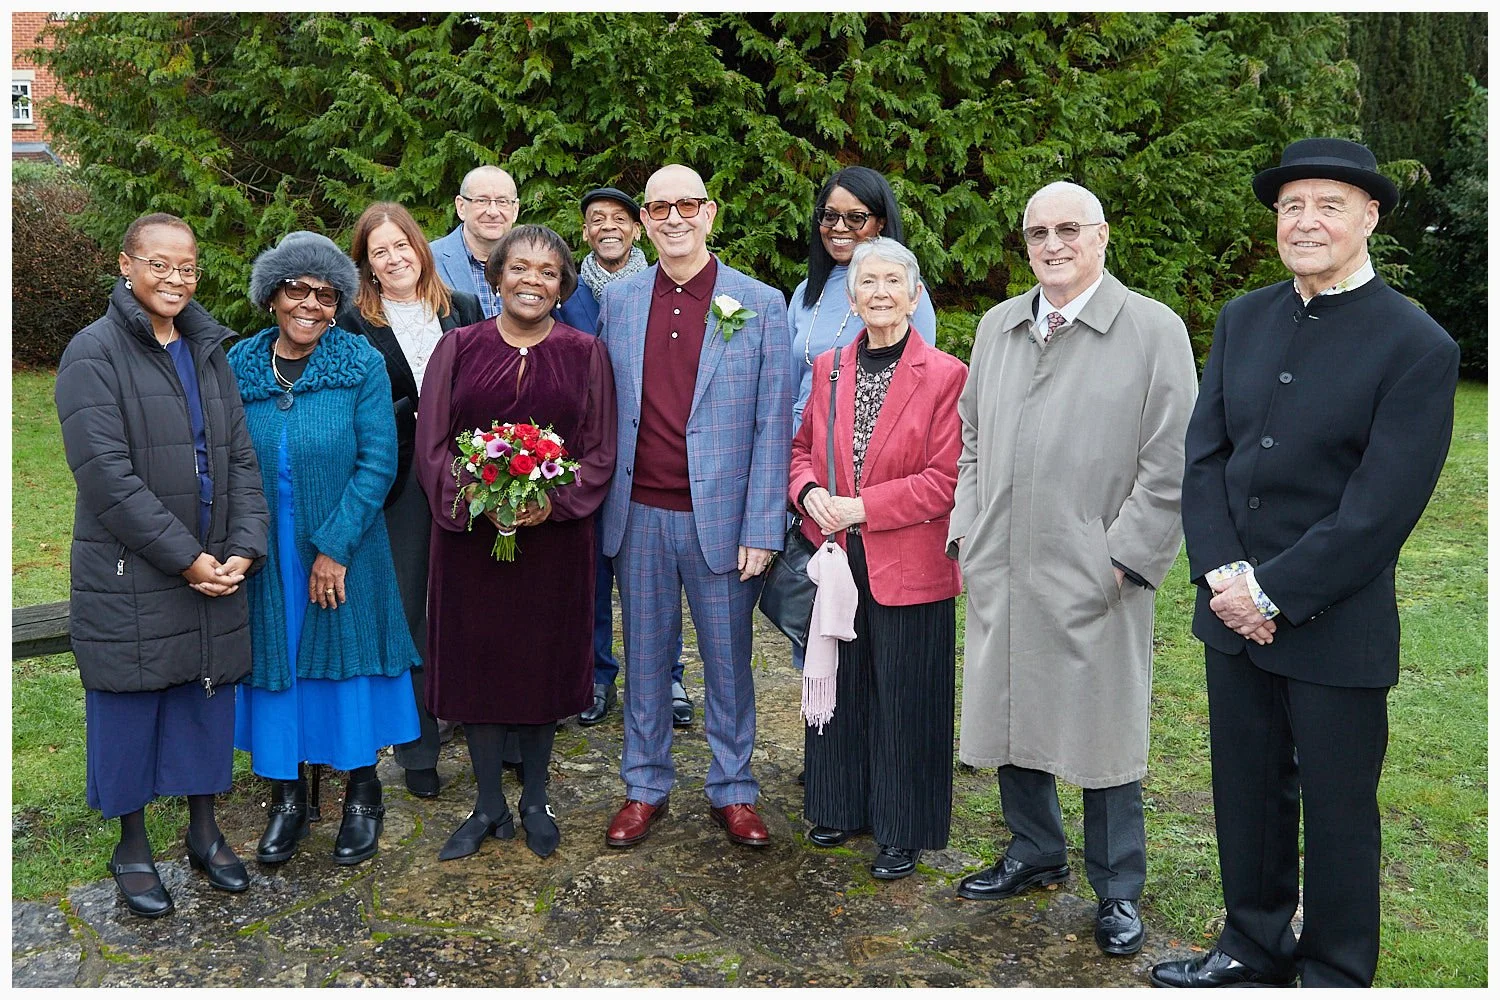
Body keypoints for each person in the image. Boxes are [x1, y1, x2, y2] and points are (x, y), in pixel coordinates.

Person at [1151, 139, 1460, 989]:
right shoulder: (1243, 317)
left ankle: (1331, 968)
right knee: (1245, 797)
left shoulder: (1416, 344)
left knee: (1337, 812)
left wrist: (1272, 590)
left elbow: (1379, 509)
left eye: (1329, 204)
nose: (1307, 220)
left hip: (1335, 621)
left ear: (1368, 218)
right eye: (1292, 205)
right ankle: (1250, 944)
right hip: (1230, 614)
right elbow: (1205, 456)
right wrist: (1222, 576)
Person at [948, 182, 1198, 956]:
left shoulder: (1154, 331)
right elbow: (974, 440)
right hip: (1003, 560)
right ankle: (1034, 849)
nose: (1051, 245)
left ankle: (1118, 888)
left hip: (1096, 568)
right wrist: (967, 534)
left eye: (1067, 229)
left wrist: (1122, 560)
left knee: (1102, 728)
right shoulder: (999, 327)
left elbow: (1170, 464)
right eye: (1036, 233)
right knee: (1010, 708)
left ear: (1102, 236)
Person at [56, 212, 269, 917]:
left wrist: (242, 545)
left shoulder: (208, 349)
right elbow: (105, 476)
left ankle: (205, 834)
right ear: (126, 265)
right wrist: (186, 559)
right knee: (129, 707)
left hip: (213, 560)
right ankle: (132, 846)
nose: (175, 279)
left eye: (188, 268)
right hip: (134, 570)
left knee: (203, 699)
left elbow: (239, 455)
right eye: (159, 264)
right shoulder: (93, 353)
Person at [597, 164, 794, 849]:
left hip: (724, 520)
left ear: (711, 212)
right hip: (639, 513)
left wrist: (764, 525)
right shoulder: (619, 302)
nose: (673, 218)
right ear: (644, 221)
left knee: (729, 661)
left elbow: (775, 422)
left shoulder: (759, 302)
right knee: (645, 659)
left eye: (687, 205)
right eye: (659, 208)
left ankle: (733, 789)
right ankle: (644, 786)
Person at [415, 224, 617, 861]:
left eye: (549, 272)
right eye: (521, 268)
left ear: (561, 288)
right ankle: (487, 805)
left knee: (540, 663)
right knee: (480, 664)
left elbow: (599, 451)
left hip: (553, 544)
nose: (533, 280)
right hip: (473, 540)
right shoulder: (458, 347)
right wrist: (481, 501)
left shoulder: (586, 353)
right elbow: (434, 444)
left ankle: (534, 799)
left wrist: (544, 503)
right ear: (496, 277)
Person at [229, 232, 421, 869]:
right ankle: (287, 796)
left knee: (349, 665)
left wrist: (334, 548)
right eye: (296, 290)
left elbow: (378, 460)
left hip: (346, 543)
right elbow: (227, 462)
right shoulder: (243, 365)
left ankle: (363, 794)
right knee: (278, 665)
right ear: (272, 295)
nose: (310, 304)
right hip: (266, 551)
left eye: (326, 294)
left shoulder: (360, 363)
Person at [789, 237, 966, 879]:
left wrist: (861, 506)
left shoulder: (947, 375)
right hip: (840, 555)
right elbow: (802, 449)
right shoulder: (829, 366)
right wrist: (809, 494)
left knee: (907, 692)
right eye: (868, 282)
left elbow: (946, 479)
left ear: (915, 296)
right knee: (844, 679)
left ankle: (902, 826)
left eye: (894, 281)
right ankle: (839, 804)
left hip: (911, 556)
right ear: (852, 295)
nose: (881, 293)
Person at [339, 202, 485, 800]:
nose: (395, 258)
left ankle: (487, 735)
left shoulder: (465, 310)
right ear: (367, 266)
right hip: (399, 487)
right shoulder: (353, 324)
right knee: (410, 614)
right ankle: (419, 749)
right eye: (380, 252)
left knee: (474, 612)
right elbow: (355, 411)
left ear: (420, 248)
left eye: (402, 245)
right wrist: (417, 416)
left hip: (470, 483)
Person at [557, 186, 690, 729]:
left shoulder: (658, 289)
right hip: (590, 456)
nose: (607, 226)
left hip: (648, 455)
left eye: (618, 218)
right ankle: (597, 674)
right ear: (585, 231)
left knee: (661, 571)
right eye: (595, 219)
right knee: (593, 576)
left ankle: (669, 674)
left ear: (638, 228)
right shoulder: (568, 297)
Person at [788, 165, 937, 429]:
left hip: (863, 442)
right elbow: (788, 388)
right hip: (799, 444)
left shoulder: (904, 295)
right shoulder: (805, 293)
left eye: (855, 218)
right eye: (830, 216)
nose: (839, 228)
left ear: (880, 223)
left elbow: (919, 387)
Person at [429, 164, 520, 318]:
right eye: (482, 201)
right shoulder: (428, 261)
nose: (493, 212)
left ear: (515, 209)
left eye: (502, 201)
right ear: (461, 207)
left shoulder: (532, 264)